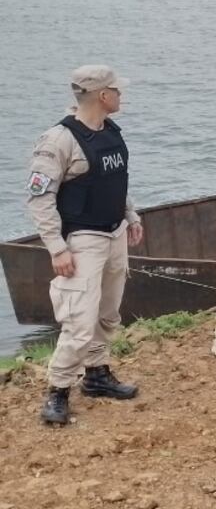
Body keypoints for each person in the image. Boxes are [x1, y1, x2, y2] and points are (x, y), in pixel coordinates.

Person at [27, 65, 144, 425]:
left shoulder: (110, 133)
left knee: (107, 313)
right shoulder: (59, 141)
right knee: (79, 320)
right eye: (117, 91)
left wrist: (131, 215)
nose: (121, 96)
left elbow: (115, 181)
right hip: (83, 240)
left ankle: (96, 375)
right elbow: (39, 198)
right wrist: (57, 248)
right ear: (103, 97)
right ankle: (58, 391)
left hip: (114, 233)